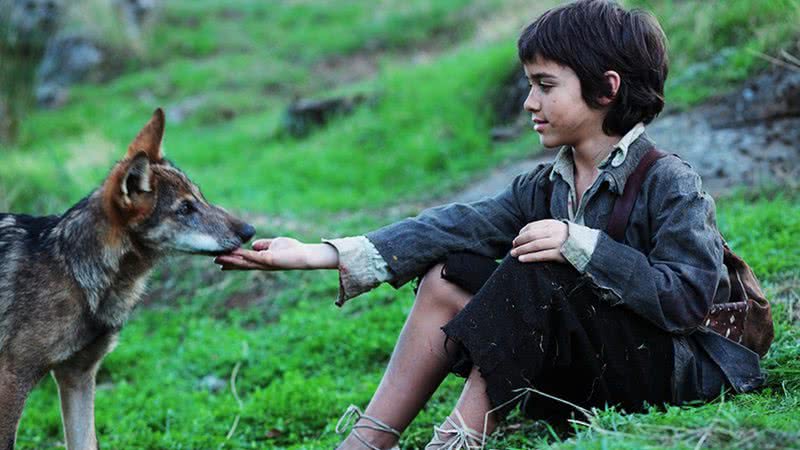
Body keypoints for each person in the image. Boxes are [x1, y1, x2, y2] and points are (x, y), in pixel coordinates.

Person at [215, 1, 765, 448]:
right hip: (593, 369)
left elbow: (689, 301)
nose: (529, 102)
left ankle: (457, 441)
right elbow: (460, 225)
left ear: (606, 88)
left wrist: (585, 247)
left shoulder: (669, 181)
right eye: (530, 85)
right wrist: (319, 253)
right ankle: (366, 442)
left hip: (676, 371)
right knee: (449, 273)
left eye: (545, 85)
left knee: (538, 270)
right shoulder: (546, 185)